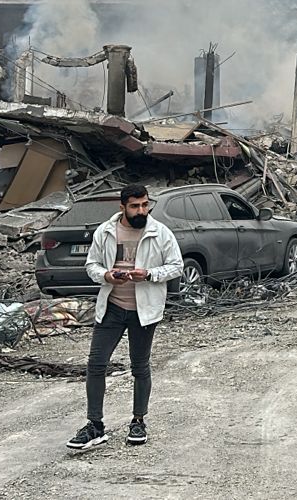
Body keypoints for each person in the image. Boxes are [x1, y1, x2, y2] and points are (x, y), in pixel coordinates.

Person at [67, 183, 184, 451]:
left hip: (144, 311)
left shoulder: (160, 232)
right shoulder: (106, 231)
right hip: (112, 307)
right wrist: (107, 276)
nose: (141, 210)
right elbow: (92, 265)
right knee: (96, 364)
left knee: (140, 366)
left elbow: (176, 266)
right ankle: (95, 425)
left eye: (144, 205)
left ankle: (138, 421)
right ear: (122, 207)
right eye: (134, 206)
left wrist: (150, 274)